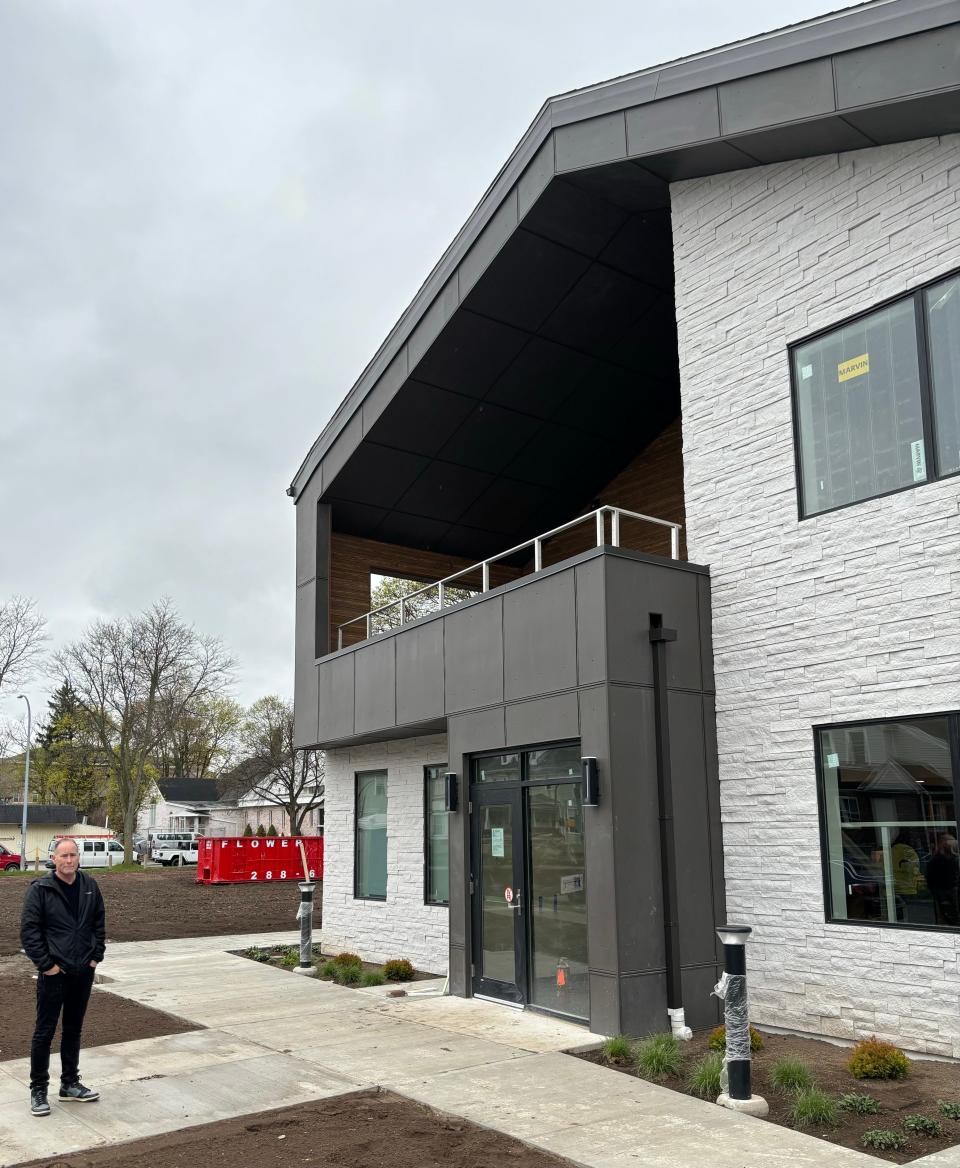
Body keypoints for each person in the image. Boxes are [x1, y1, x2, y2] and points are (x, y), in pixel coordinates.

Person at [20, 837, 105, 1116]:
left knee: (73, 1030)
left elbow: (98, 923)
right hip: (54, 974)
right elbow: (29, 933)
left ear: (78, 858)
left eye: (73, 855)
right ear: (53, 859)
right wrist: (47, 966)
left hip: (83, 972)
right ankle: (38, 1090)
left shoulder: (90, 887)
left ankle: (69, 1084)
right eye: (63, 856)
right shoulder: (40, 890)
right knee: (44, 1033)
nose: (68, 860)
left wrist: (96, 957)